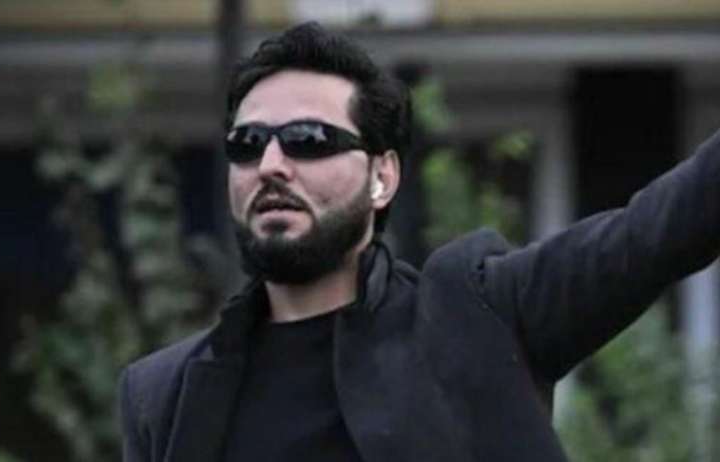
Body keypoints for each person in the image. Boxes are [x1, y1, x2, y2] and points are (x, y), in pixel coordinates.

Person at [118, 22, 720, 462]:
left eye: (308, 139)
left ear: (382, 176)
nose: (271, 164)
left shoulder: (475, 314)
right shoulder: (164, 393)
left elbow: (661, 227)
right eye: (247, 145)